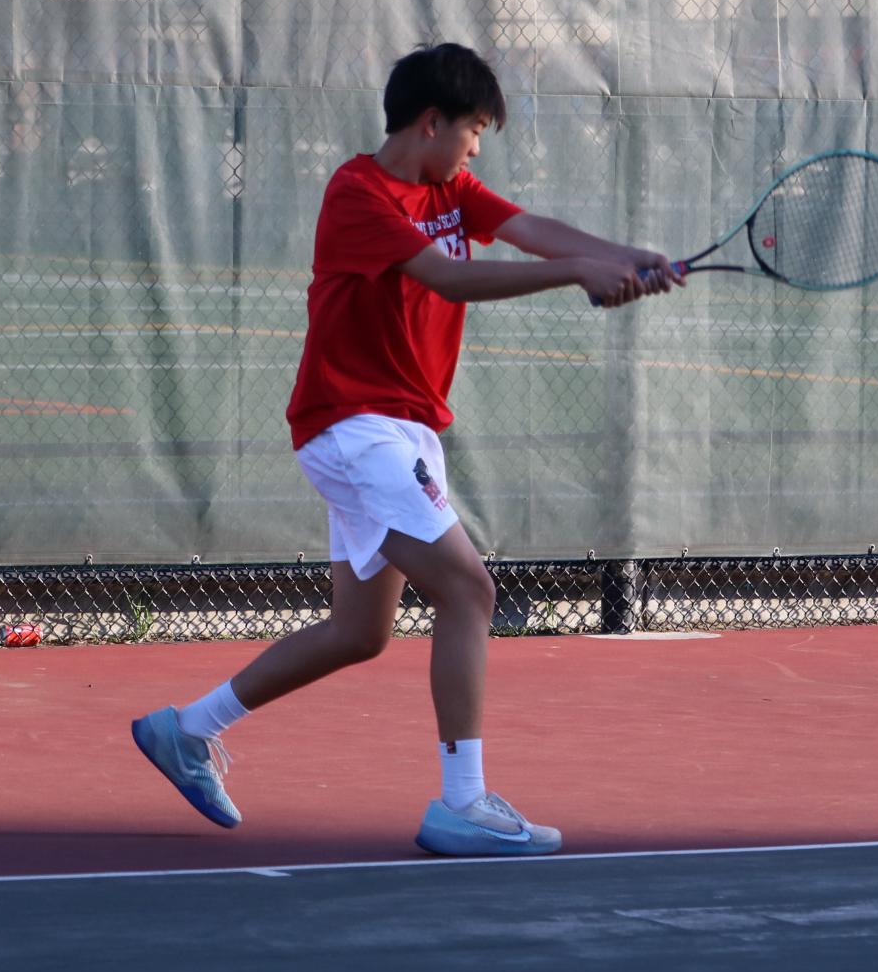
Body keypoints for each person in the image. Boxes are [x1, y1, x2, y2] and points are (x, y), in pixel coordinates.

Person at [131, 42, 681, 856]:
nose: (476, 150)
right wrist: (577, 274)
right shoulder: (357, 193)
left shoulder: (450, 187)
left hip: (400, 430)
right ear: (432, 123)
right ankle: (463, 803)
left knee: (361, 632)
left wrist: (620, 256)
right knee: (469, 592)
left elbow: (524, 226)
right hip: (356, 427)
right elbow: (448, 280)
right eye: (472, 133)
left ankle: (186, 730)